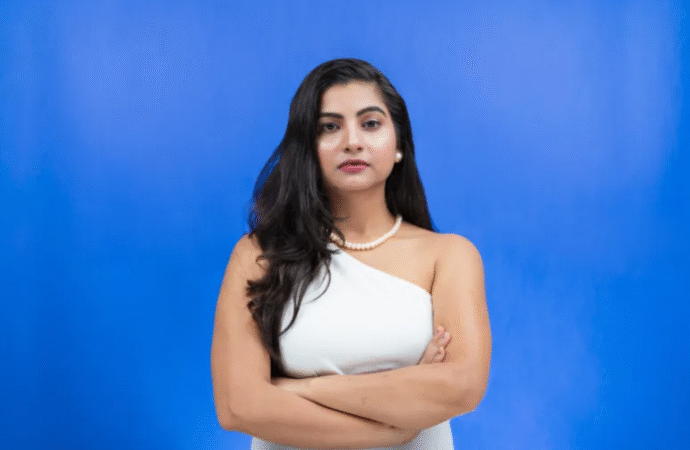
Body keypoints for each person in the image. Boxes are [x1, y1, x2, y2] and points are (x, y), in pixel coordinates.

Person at [210, 58, 491, 449]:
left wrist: (298, 388)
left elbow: (462, 386)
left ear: (399, 145)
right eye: (329, 127)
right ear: (308, 148)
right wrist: (395, 427)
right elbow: (238, 406)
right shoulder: (259, 255)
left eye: (371, 123)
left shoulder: (449, 256)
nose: (352, 141)